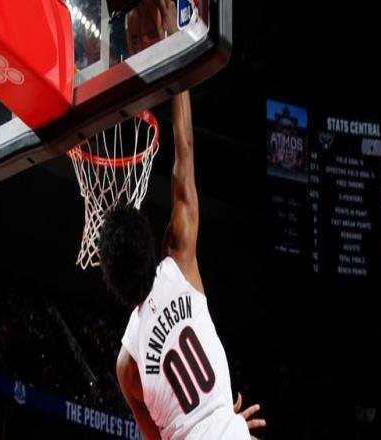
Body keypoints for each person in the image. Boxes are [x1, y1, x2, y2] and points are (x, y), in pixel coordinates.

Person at [98, 1, 266, 439]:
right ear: (150, 242)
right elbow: (185, 149)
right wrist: (175, 44)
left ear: (113, 284)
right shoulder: (179, 264)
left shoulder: (127, 366)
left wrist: (216, 423)